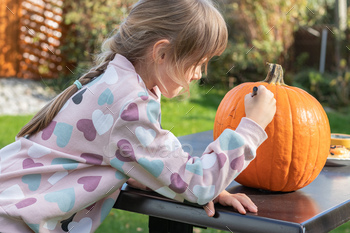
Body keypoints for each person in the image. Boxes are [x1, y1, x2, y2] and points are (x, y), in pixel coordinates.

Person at [0, 0, 276, 232]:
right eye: (198, 62)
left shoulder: (119, 83)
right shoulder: (130, 105)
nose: (199, 74)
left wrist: (212, 187)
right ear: (162, 52)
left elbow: (147, 167)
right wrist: (251, 127)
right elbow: (196, 185)